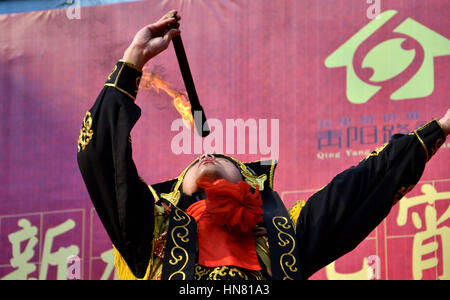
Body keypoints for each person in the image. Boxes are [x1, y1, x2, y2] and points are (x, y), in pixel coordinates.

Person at [77, 11, 450, 280]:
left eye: (223, 159)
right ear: (178, 191)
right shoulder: (152, 230)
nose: (205, 156)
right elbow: (102, 157)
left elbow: (361, 188)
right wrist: (134, 58)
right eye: (195, 164)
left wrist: (443, 127)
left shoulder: (285, 234)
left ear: (250, 184)